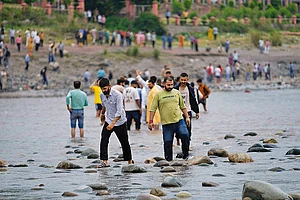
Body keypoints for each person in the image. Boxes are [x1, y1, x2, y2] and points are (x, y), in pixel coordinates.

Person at [149, 76, 190, 161]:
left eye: (171, 85)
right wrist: (150, 121)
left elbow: (182, 106)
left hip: (179, 120)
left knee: (185, 135)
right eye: (168, 85)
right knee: (168, 142)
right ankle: (169, 161)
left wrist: (187, 117)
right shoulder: (158, 94)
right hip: (167, 123)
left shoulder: (176, 92)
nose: (170, 86)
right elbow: (153, 108)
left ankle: (186, 155)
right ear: (164, 84)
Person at [98, 78, 134, 167]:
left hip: (119, 122)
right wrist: (102, 114)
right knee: (104, 140)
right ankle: (104, 161)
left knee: (124, 142)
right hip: (108, 120)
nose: (103, 91)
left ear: (109, 86)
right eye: (102, 89)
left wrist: (113, 124)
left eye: (105, 88)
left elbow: (120, 111)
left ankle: (129, 160)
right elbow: (103, 105)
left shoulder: (117, 95)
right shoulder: (102, 95)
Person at [174, 73, 200, 147]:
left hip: (188, 111)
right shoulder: (175, 88)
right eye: (182, 80)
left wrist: (197, 111)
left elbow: (193, 100)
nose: (183, 81)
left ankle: (187, 144)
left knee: (188, 128)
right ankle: (178, 141)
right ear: (179, 79)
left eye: (185, 80)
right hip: (177, 112)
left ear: (187, 80)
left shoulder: (190, 88)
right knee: (178, 128)